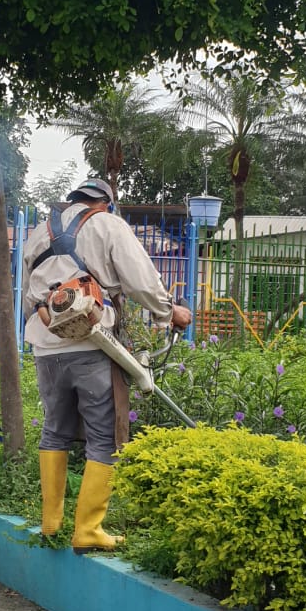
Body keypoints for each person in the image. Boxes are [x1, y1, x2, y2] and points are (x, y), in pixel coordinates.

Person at [23, 178, 192, 552]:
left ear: (75, 200)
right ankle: (88, 530)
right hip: (93, 343)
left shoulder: (38, 232)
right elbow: (141, 281)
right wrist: (169, 312)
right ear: (105, 203)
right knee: (105, 436)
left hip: (46, 347)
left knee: (54, 431)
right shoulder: (107, 224)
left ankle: (51, 524)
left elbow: (29, 296)